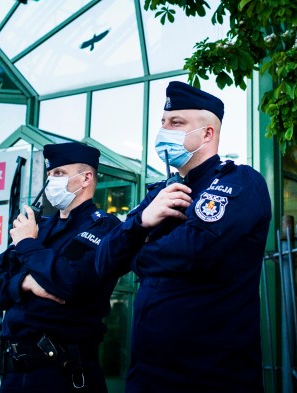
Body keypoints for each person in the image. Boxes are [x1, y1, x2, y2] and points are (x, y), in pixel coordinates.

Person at [95, 81, 272, 392]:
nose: (163, 131)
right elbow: (104, 261)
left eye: (176, 123)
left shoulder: (240, 181)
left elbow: (193, 252)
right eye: (163, 122)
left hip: (213, 377)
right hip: (147, 377)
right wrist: (140, 225)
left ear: (207, 134)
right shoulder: (157, 195)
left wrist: (137, 254)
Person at [0, 141, 120, 392]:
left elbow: (68, 281)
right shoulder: (38, 228)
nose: (51, 181)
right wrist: (25, 283)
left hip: (63, 373)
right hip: (14, 375)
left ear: (86, 178)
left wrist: (27, 245)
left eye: (59, 173)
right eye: (50, 175)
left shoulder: (102, 227)